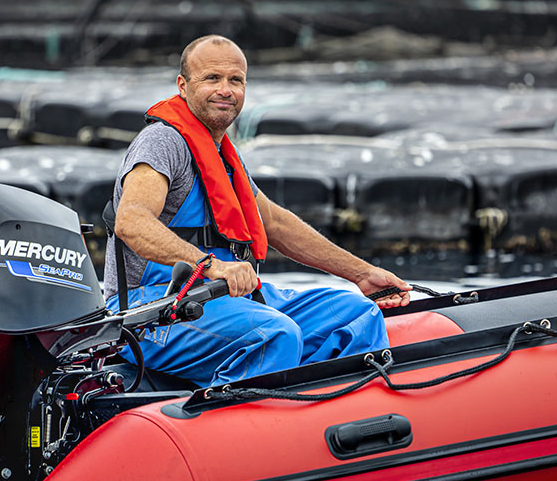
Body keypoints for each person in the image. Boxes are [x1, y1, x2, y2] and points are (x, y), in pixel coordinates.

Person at [104, 34, 411, 387]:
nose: (226, 90)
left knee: (356, 315)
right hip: (152, 308)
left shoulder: (222, 154)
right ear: (183, 86)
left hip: (223, 299)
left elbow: (275, 223)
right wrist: (212, 265)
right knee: (274, 334)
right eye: (212, 79)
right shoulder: (162, 142)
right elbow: (132, 221)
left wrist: (360, 273)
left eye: (236, 80)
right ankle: (236, 427)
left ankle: (337, 422)